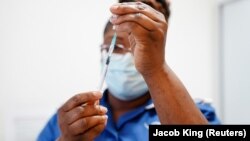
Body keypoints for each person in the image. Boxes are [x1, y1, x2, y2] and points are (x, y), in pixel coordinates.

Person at [37, 0, 220, 141]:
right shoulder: (69, 120)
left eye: (137, 48)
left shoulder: (199, 112)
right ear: (103, 51)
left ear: (157, 51)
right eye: (116, 48)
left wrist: (154, 68)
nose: (126, 58)